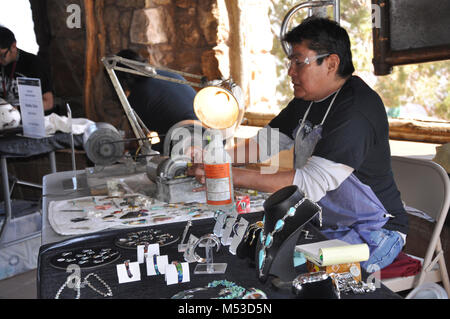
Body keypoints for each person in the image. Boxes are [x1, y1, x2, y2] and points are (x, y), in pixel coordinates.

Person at [189, 17, 408, 272]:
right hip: (324, 223)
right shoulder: (308, 100)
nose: (291, 71)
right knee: (251, 256)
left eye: (298, 62)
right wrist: (216, 158)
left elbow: (307, 185)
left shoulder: (356, 111)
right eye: (290, 62)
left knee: (289, 273)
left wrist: (228, 175)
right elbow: (264, 143)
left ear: (331, 63)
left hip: (371, 233)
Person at [115, 49, 199, 153]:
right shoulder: (168, 75)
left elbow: (140, 139)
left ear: (121, 79)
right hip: (211, 136)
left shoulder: (137, 96)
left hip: (189, 143)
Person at [0, 26, 54, 111]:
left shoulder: (34, 64)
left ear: (13, 46)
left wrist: (18, 110)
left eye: (1, 55)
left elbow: (48, 102)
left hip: (27, 119)